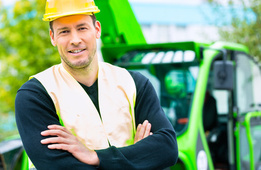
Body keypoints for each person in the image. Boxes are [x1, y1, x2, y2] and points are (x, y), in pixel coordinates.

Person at [15, 0, 178, 169]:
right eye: (64, 31)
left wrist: (94, 156)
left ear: (97, 29)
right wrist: (137, 158)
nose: (75, 40)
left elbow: (167, 148)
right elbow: (58, 166)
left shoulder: (134, 83)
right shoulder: (35, 94)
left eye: (82, 28)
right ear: (53, 37)